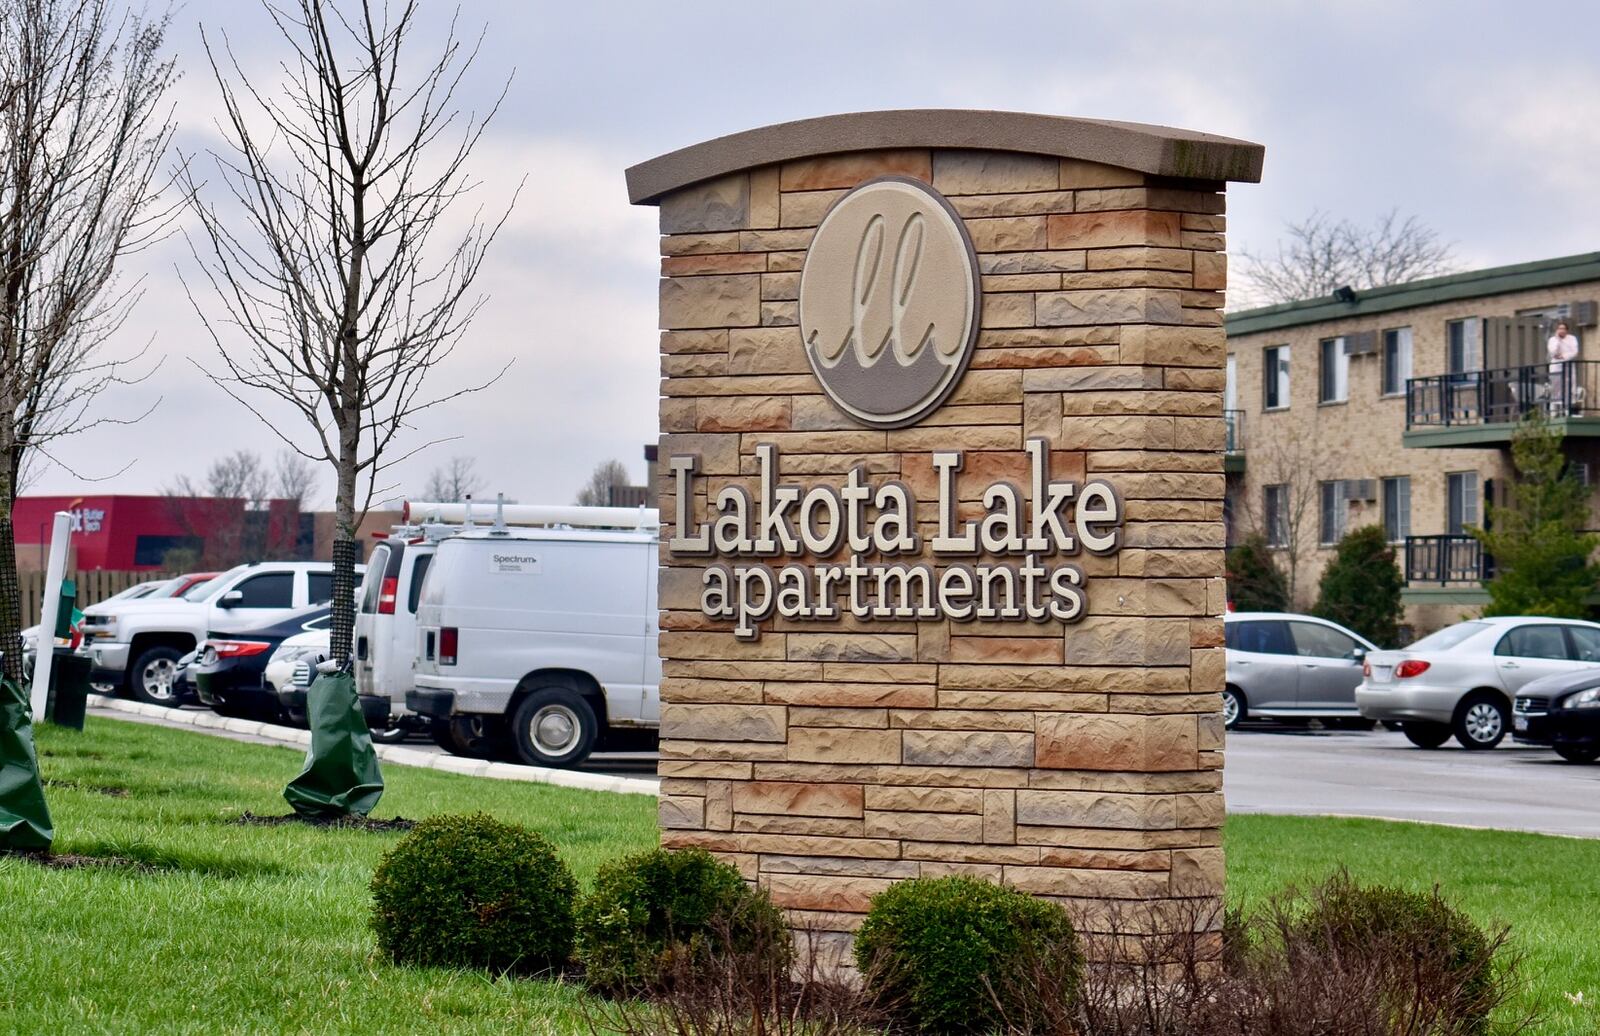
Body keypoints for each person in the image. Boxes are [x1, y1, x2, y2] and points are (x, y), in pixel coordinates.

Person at [1548, 320, 1581, 415]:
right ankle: (1554, 412)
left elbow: (1574, 351)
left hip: (1568, 366)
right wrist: (1558, 340)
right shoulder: (1552, 340)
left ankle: (1567, 411)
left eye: (1563, 329)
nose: (1561, 330)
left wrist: (1563, 356)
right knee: (1555, 389)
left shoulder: (1572, 338)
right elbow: (1553, 352)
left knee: (1568, 388)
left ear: (1567, 330)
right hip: (1556, 367)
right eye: (1559, 328)